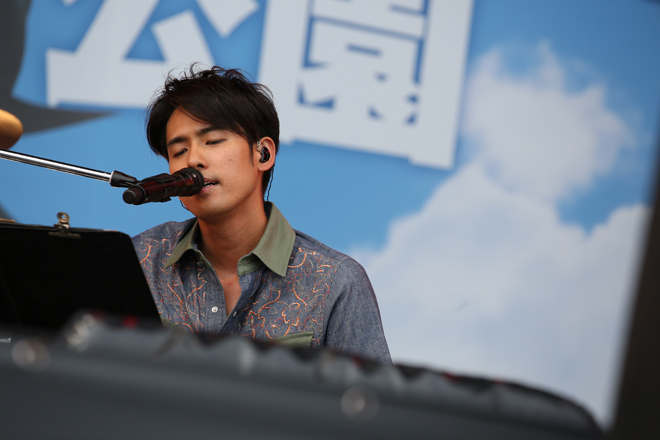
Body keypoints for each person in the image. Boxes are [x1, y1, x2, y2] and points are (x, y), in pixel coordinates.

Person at [132, 66, 391, 363]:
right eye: (179, 151)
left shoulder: (334, 281)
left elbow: (369, 392)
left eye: (213, 141)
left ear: (263, 153)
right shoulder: (140, 260)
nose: (193, 160)